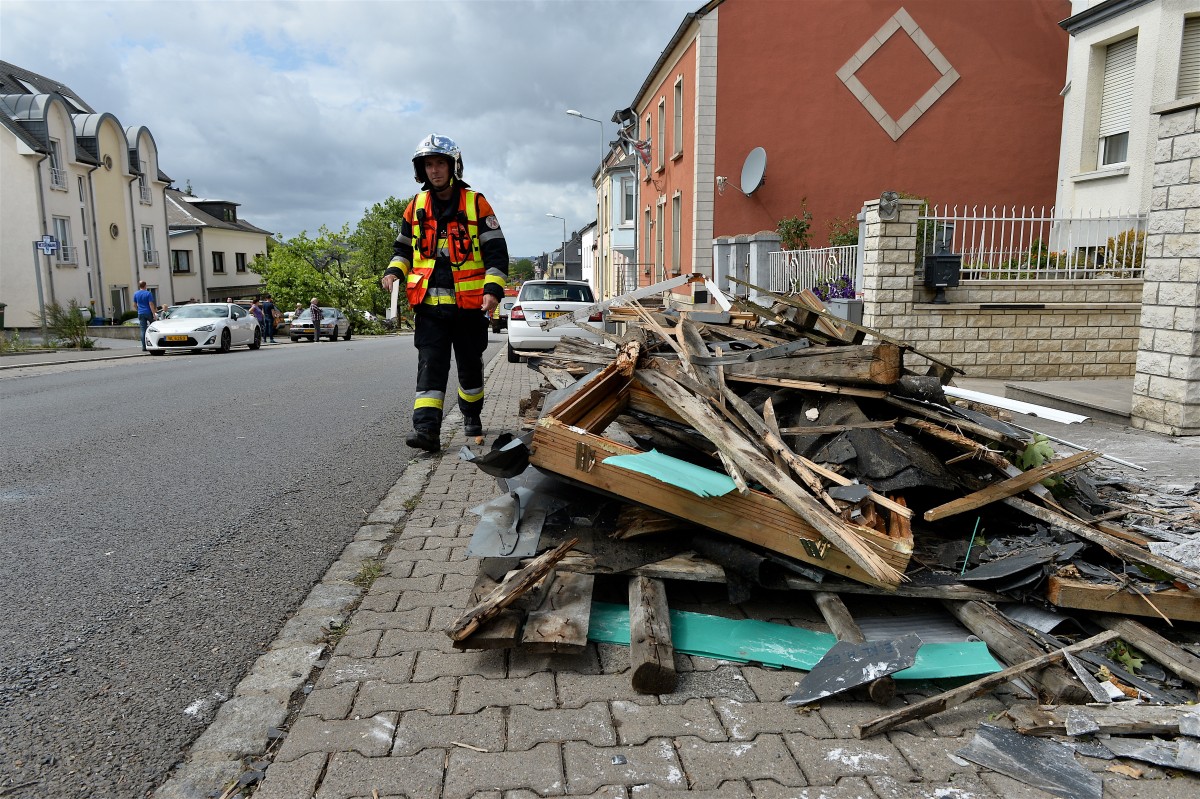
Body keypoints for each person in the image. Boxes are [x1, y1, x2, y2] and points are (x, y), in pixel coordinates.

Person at [381, 134, 509, 452]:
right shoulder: (416, 206)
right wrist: (394, 271)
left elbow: (497, 253)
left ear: (453, 166)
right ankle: (427, 431)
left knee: (469, 367)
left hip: (469, 309)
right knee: (431, 365)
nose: (434, 170)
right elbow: (402, 249)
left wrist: (492, 291)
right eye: (428, 164)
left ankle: (471, 415)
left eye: (440, 163)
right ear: (421, 170)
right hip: (429, 310)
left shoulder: (476, 203)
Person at [132, 280, 157, 352]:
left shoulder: (136, 294)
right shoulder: (148, 293)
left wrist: (138, 310)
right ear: (145, 286)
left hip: (141, 313)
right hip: (148, 312)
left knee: (143, 330)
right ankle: (154, 344)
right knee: (154, 327)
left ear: (139, 286)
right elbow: (151, 304)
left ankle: (144, 346)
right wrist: (154, 314)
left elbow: (134, 305)